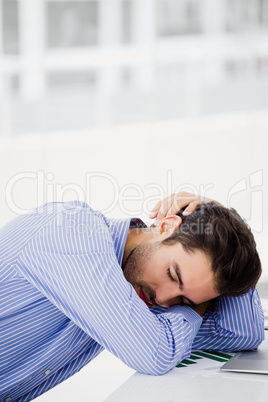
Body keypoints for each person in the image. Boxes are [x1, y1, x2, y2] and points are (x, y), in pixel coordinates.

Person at [0, 192, 264, 401]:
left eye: (185, 301)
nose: (162, 300)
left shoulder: (143, 288)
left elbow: (243, 332)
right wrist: (195, 307)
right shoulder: (72, 232)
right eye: (173, 274)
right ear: (165, 226)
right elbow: (154, 355)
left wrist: (228, 227)